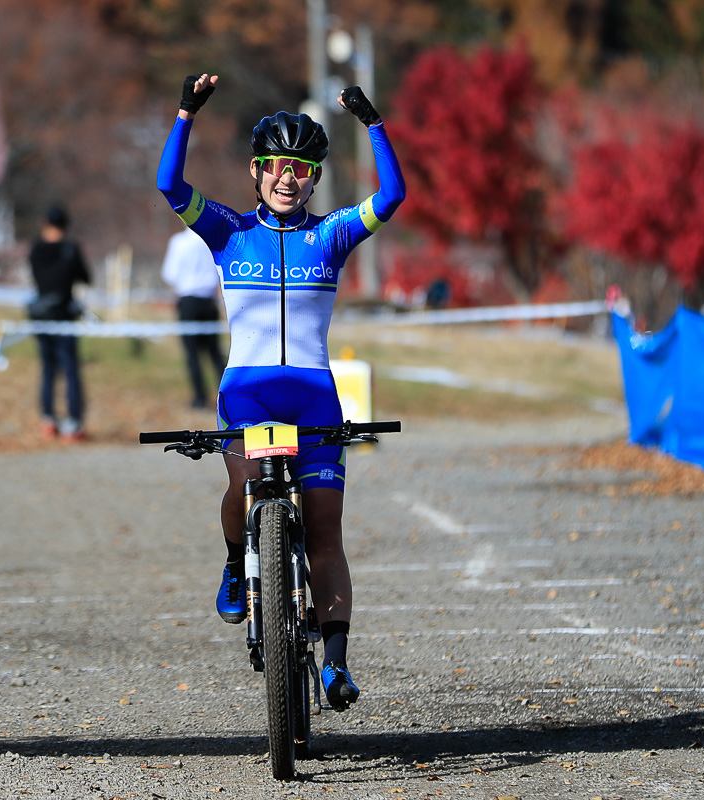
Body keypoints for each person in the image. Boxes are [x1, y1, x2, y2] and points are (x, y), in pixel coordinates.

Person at [156, 73, 405, 712]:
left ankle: (336, 664)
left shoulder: (333, 235)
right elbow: (168, 185)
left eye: (300, 168)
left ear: (314, 177)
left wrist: (374, 124)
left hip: (316, 400)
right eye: (276, 167)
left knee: (326, 534)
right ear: (257, 170)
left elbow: (394, 195)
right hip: (249, 397)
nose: (287, 178)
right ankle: (237, 561)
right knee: (241, 489)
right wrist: (186, 112)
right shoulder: (228, 231)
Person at [27, 204, 90, 442]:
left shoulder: (36, 249)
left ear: (45, 224)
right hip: (64, 317)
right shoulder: (70, 249)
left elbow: (36, 277)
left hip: (41, 317)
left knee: (48, 369)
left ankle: (48, 419)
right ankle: (73, 423)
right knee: (71, 370)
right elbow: (86, 277)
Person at [161, 225, 226, 409]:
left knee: (192, 353)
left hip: (188, 301)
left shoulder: (179, 242)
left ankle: (199, 398)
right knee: (214, 352)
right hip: (209, 300)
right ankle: (226, 395)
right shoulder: (212, 242)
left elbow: (169, 274)